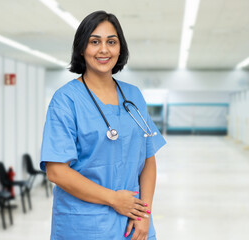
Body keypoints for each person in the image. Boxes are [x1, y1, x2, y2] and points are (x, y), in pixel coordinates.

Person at [40, 10, 166, 240]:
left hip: (133, 222)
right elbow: (56, 171)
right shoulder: (66, 100)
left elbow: (148, 157)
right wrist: (114, 199)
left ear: (120, 48)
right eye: (94, 42)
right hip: (83, 225)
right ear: (81, 48)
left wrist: (144, 214)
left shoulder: (133, 96)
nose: (104, 50)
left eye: (112, 41)